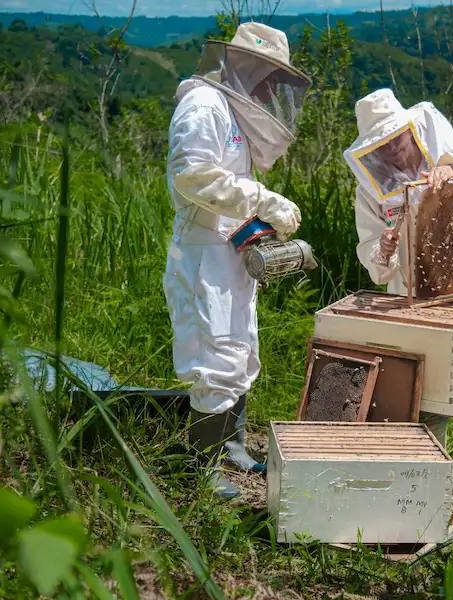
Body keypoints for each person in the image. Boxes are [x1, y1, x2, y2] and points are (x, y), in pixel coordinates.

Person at [163, 23, 311, 499]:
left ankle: (231, 449)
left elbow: (231, 192)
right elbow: (191, 174)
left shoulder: (232, 114)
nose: (270, 87)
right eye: (268, 74)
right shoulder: (203, 106)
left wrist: (256, 227)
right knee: (216, 358)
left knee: (242, 351)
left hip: (229, 251)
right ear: (245, 64)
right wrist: (263, 198)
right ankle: (198, 467)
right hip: (202, 252)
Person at [342, 88, 453, 494]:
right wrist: (381, 250)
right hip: (414, 296)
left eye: (397, 143)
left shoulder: (451, 149)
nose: (395, 155)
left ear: (411, 132)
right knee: (425, 384)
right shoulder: (369, 189)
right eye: (383, 149)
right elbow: (372, 256)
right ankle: (423, 475)